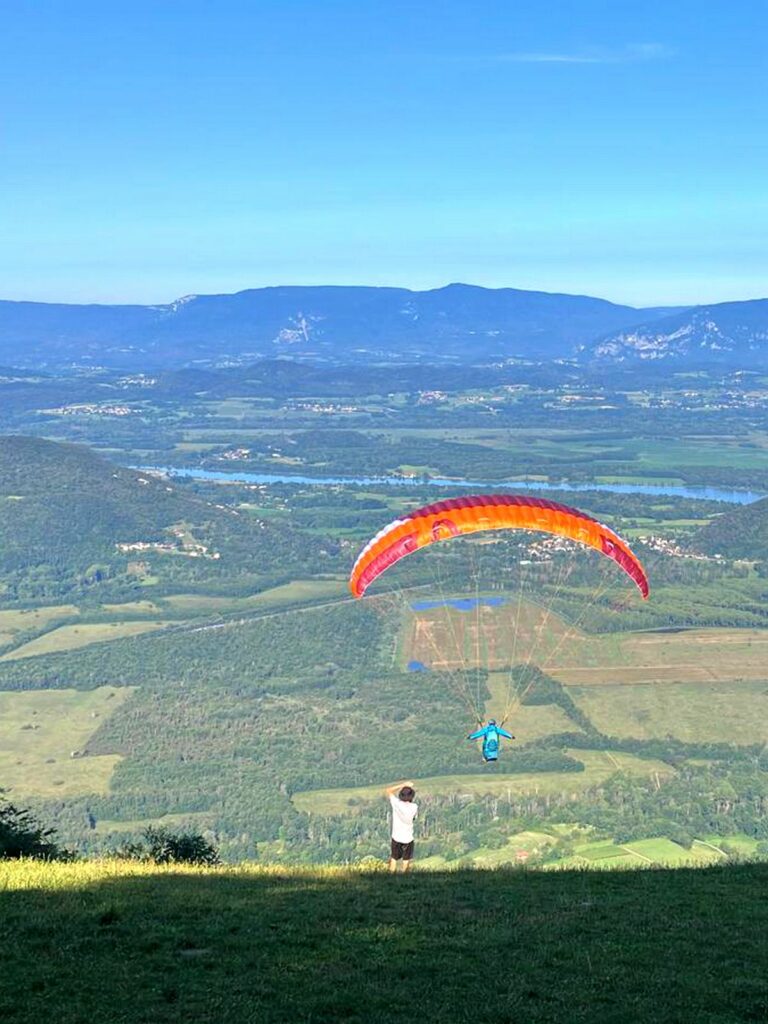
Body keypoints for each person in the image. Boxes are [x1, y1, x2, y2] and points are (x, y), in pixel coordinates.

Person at [384, 780, 418, 873]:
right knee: (406, 861)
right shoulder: (414, 807)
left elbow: (388, 790)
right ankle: (404, 877)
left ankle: (391, 875)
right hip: (408, 837)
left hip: (396, 836)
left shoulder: (396, 803)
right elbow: (414, 818)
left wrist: (403, 784)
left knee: (394, 859)